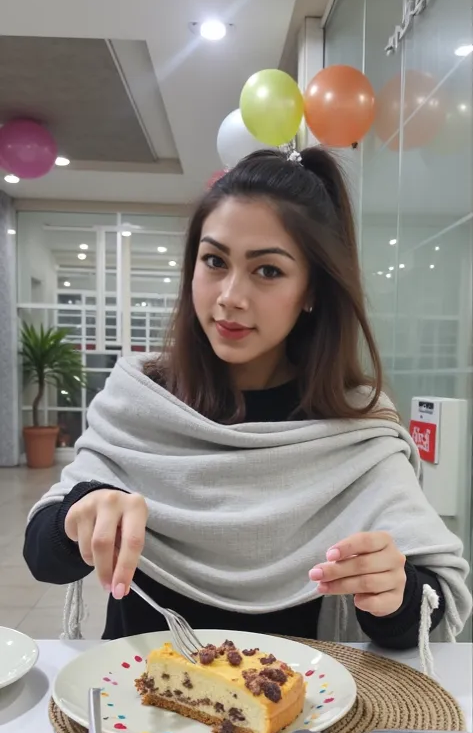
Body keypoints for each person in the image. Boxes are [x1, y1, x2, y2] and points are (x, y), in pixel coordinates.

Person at [24, 148, 471, 656]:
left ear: (311, 290)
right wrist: (79, 513)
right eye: (214, 261)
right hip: (142, 701)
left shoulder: (353, 425)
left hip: (287, 710)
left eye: (268, 271)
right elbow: (44, 555)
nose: (231, 296)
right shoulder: (143, 396)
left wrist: (392, 592)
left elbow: (427, 611)